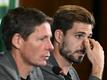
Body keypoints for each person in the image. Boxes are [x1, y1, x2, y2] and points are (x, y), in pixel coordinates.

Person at [41, 5, 104, 80]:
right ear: (59, 36)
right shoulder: (43, 73)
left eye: (88, 37)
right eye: (79, 36)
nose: (85, 45)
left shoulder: (71, 72)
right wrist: (97, 69)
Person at [0, 7, 54, 80]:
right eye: (42, 39)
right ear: (17, 41)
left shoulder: (36, 72)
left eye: (49, 39)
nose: (51, 47)